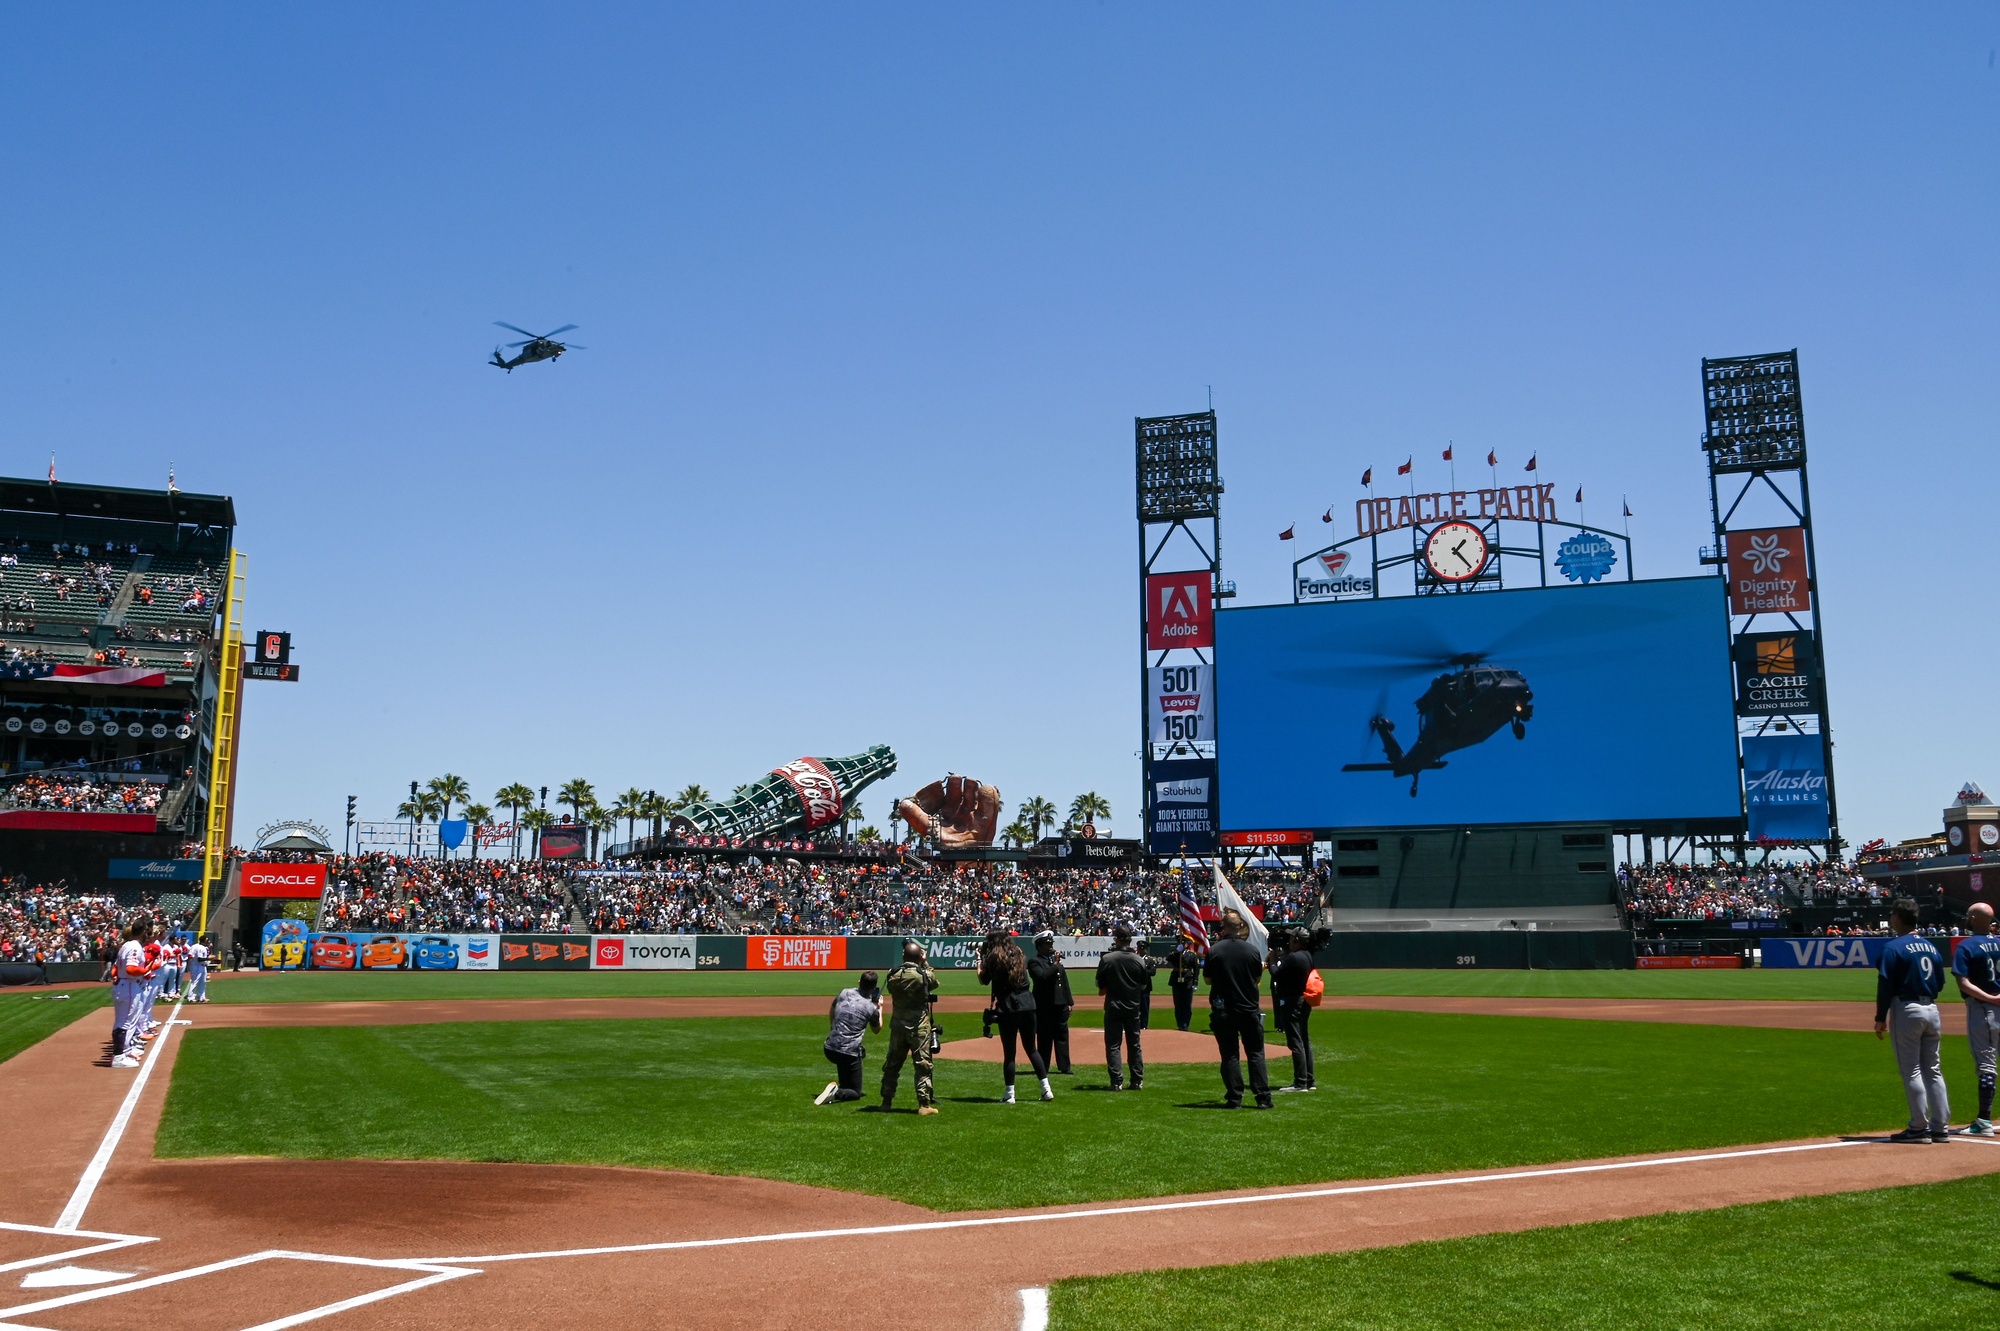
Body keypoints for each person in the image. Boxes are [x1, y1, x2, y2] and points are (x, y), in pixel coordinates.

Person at [1874, 899, 1950, 1142]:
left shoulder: (1893, 947)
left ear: (1897, 917)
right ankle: (1940, 1126)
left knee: (1912, 1070)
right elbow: (1939, 983)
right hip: (1931, 1008)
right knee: (1933, 1070)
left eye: (1892, 914)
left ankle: (1918, 1126)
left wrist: (1880, 1017)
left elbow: (1885, 984)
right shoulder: (1931, 947)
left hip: (1907, 1009)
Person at [1203, 909, 1272, 1109]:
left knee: (1230, 1055)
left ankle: (1235, 1097)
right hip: (1248, 1008)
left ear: (1223, 928)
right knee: (1256, 1054)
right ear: (1241, 927)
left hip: (1224, 1009)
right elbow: (1257, 979)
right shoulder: (1252, 951)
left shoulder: (1215, 950)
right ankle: (1263, 1097)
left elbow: (1207, 980)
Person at [978, 930, 1051, 1103]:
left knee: (1009, 1053)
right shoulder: (1017, 953)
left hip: (1008, 1006)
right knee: (1032, 1049)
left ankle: (1009, 1094)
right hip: (1027, 1003)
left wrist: (979, 960)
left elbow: (983, 980)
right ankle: (1046, 1089)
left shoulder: (995, 957)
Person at [1950, 900, 2000, 1136]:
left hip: (1983, 1010)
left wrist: (1991, 998)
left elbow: (1963, 982)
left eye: (1969, 915)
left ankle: (1984, 1121)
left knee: (1986, 1065)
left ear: (1973, 920)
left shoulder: (1966, 946)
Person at [880, 943, 939, 1115]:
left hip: (898, 1025)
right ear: (918, 957)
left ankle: (886, 1101)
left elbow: (891, 988)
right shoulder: (922, 974)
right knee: (922, 1065)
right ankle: (924, 1105)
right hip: (918, 1026)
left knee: (892, 1064)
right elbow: (933, 981)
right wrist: (925, 963)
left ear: (904, 956)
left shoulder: (893, 974)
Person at [1095, 924, 1152, 1091]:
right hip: (1133, 1006)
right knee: (1134, 1043)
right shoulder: (1139, 960)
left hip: (1113, 1005)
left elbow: (1099, 984)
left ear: (1117, 939)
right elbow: (1143, 986)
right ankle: (1137, 1080)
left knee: (1113, 1044)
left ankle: (1116, 1081)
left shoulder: (1108, 959)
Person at [816, 971, 881, 1105]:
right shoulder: (870, 1007)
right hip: (848, 1053)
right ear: (874, 989)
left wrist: (832, 1027)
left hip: (829, 1048)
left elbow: (833, 1009)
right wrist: (879, 1008)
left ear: (859, 982)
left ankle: (841, 1087)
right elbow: (877, 1029)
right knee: (856, 1092)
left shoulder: (844, 992)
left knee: (846, 1057)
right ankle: (836, 1092)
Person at [1270, 929, 1318, 1093]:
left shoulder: (1294, 957)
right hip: (1304, 1000)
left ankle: (1300, 1082)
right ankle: (1309, 1080)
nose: (1289, 940)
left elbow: (1276, 973)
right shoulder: (1307, 955)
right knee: (1304, 1040)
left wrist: (1272, 960)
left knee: (1296, 1042)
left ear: (1297, 940)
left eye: (1291, 938)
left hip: (1293, 1001)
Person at [1027, 931, 1074, 1075]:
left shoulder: (1055, 963)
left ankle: (1064, 1066)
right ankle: (1043, 1066)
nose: (1051, 947)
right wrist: (1055, 964)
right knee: (1045, 1037)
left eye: (1051, 944)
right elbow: (1042, 978)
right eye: (1047, 944)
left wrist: (1069, 1002)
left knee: (1062, 1036)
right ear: (1039, 946)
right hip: (1045, 1005)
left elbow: (1064, 983)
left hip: (1060, 1004)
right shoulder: (1035, 962)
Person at [108, 919, 152, 1069]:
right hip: (129, 985)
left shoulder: (126, 945)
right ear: (143, 931)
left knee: (124, 1022)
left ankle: (123, 1052)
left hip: (125, 984)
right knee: (125, 1022)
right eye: (147, 931)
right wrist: (146, 970)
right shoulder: (134, 946)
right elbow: (131, 969)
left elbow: (116, 967)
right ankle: (119, 1056)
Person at [1168, 940, 1202, 1032]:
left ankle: (1185, 1024)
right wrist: (1177, 952)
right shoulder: (1175, 953)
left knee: (1187, 1004)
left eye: (1184, 943)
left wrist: (1195, 982)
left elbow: (1196, 969)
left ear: (1187, 944)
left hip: (1188, 980)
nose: (1182, 945)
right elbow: (1168, 958)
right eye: (1181, 943)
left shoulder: (1192, 955)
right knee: (1178, 1004)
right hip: (1176, 980)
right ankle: (1179, 1024)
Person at [186, 934, 211, 1003]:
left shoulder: (199, 946)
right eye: (207, 940)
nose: (208, 942)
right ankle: (190, 997)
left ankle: (201, 997)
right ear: (204, 941)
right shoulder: (199, 947)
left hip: (202, 966)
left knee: (203, 982)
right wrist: (208, 958)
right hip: (197, 966)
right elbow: (199, 959)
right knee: (195, 981)